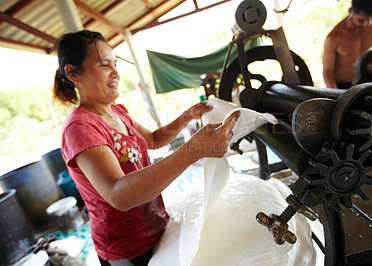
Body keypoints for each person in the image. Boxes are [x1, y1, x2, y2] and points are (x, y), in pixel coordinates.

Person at [53, 30, 239, 266]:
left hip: (154, 227)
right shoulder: (80, 128)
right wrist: (193, 150)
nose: (116, 73)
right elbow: (118, 194)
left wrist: (187, 116)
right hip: (126, 248)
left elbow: (153, 140)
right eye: (104, 65)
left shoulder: (117, 111)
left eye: (115, 64)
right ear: (73, 73)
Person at [322, 0, 372, 89]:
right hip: (341, 86)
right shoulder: (334, 37)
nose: (367, 24)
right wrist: (335, 93)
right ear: (350, 11)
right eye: (361, 20)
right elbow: (327, 72)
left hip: (365, 82)